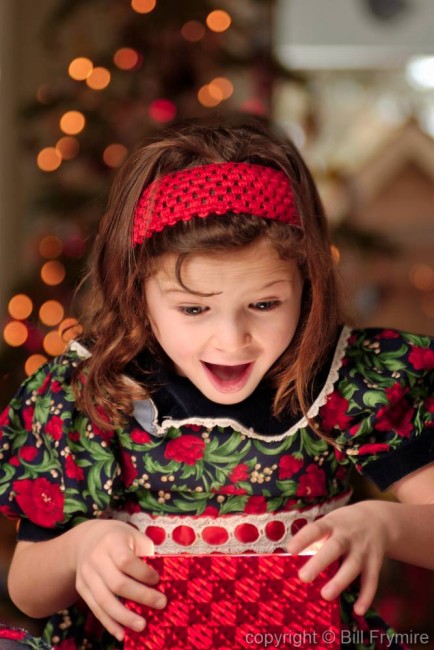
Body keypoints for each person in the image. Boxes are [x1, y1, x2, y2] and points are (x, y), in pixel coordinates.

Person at [0, 116, 433, 650]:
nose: (232, 340)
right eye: (193, 308)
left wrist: (384, 526)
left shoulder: (350, 382)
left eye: (265, 304)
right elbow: (28, 589)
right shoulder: (93, 393)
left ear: (308, 283)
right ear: (138, 292)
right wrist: (81, 546)